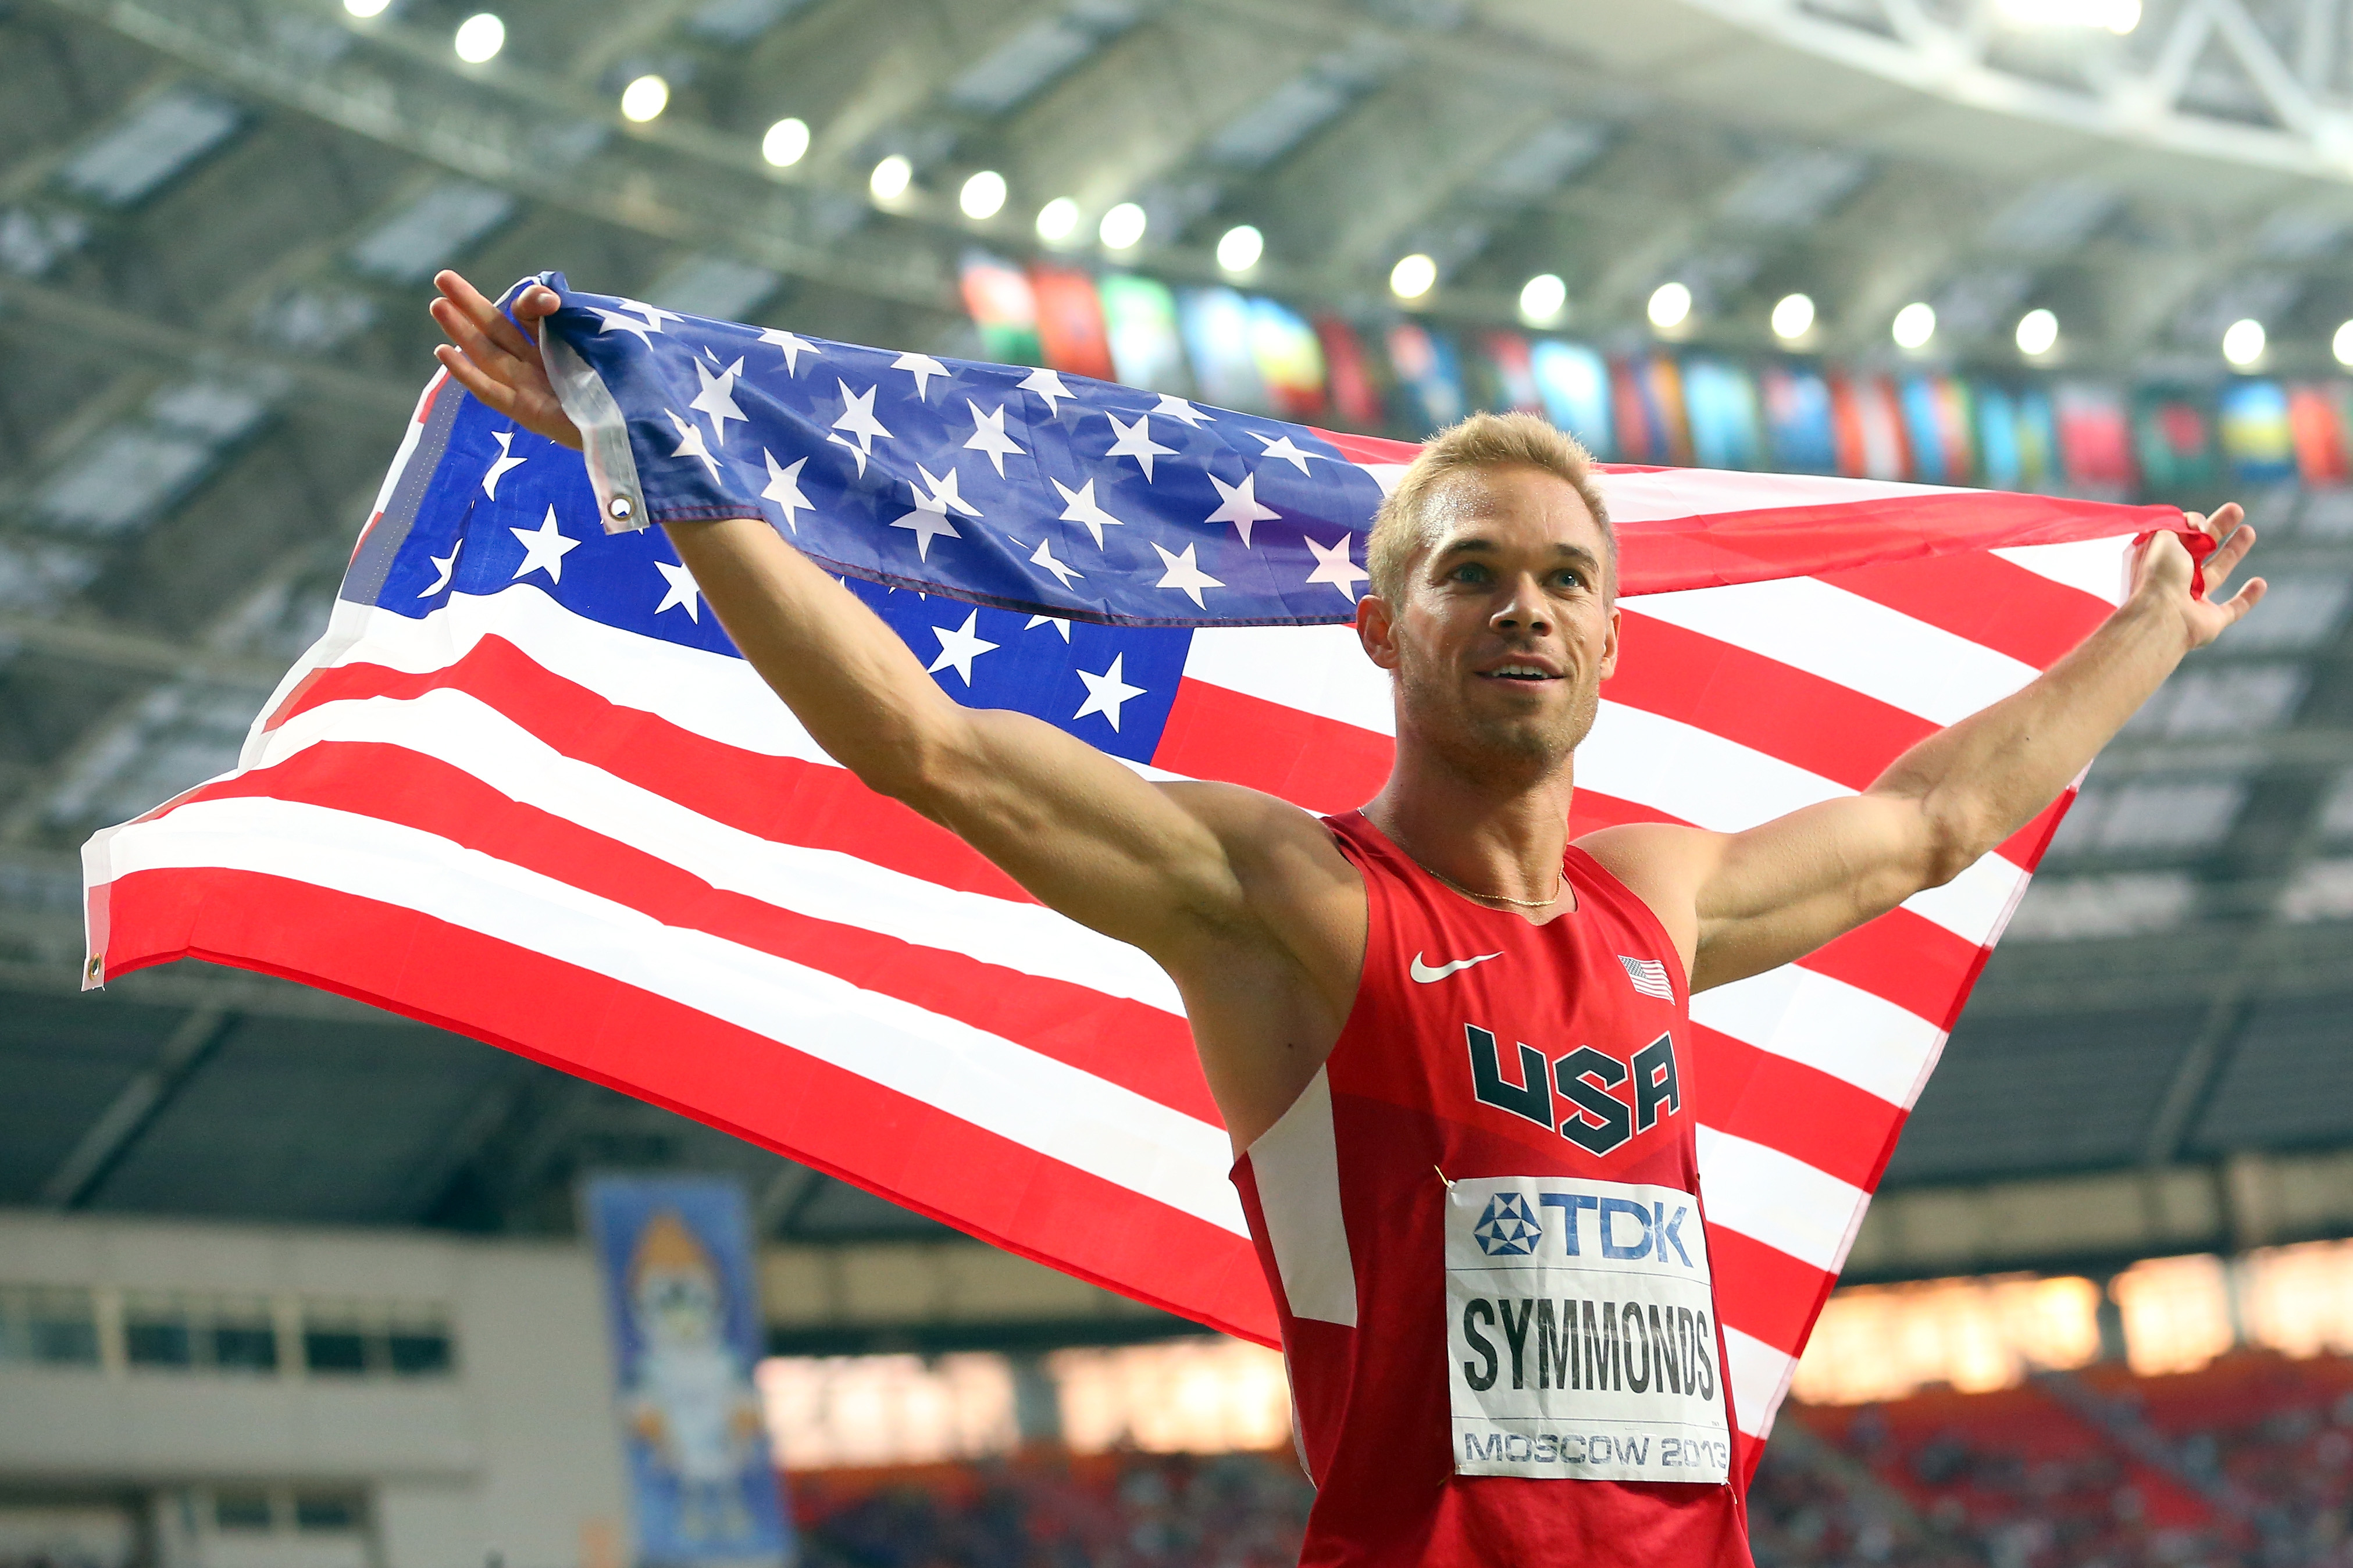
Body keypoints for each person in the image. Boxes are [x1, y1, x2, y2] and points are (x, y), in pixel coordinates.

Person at [427, 271, 2265, 1566]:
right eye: (1474, 571)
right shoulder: (1291, 902)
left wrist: (2147, 634)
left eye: (1567, 578)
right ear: (1384, 628)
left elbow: (1932, 820)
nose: (1526, 607)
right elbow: (929, 742)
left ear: (1612, 642)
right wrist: (680, 467)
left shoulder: (1657, 901)